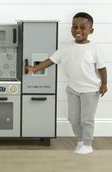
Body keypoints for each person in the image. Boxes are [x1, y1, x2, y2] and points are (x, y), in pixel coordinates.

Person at [26, 12, 107, 155]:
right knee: (73, 118)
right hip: (73, 89)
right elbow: (51, 61)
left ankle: (88, 144)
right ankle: (81, 140)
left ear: (91, 31)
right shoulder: (65, 48)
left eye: (83, 27)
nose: (78, 30)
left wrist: (104, 84)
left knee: (86, 119)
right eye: (75, 27)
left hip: (90, 90)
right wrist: (34, 69)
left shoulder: (94, 49)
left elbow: (102, 68)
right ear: (71, 29)